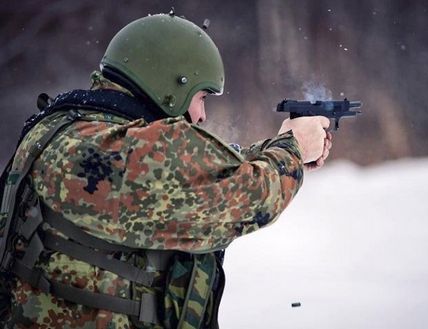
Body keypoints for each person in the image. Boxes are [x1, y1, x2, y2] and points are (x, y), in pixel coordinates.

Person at [0, 13, 331, 329]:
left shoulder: (65, 128)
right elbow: (250, 195)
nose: (201, 115)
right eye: (201, 96)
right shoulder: (137, 152)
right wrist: (295, 146)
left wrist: (272, 147)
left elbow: (187, 176)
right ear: (170, 85)